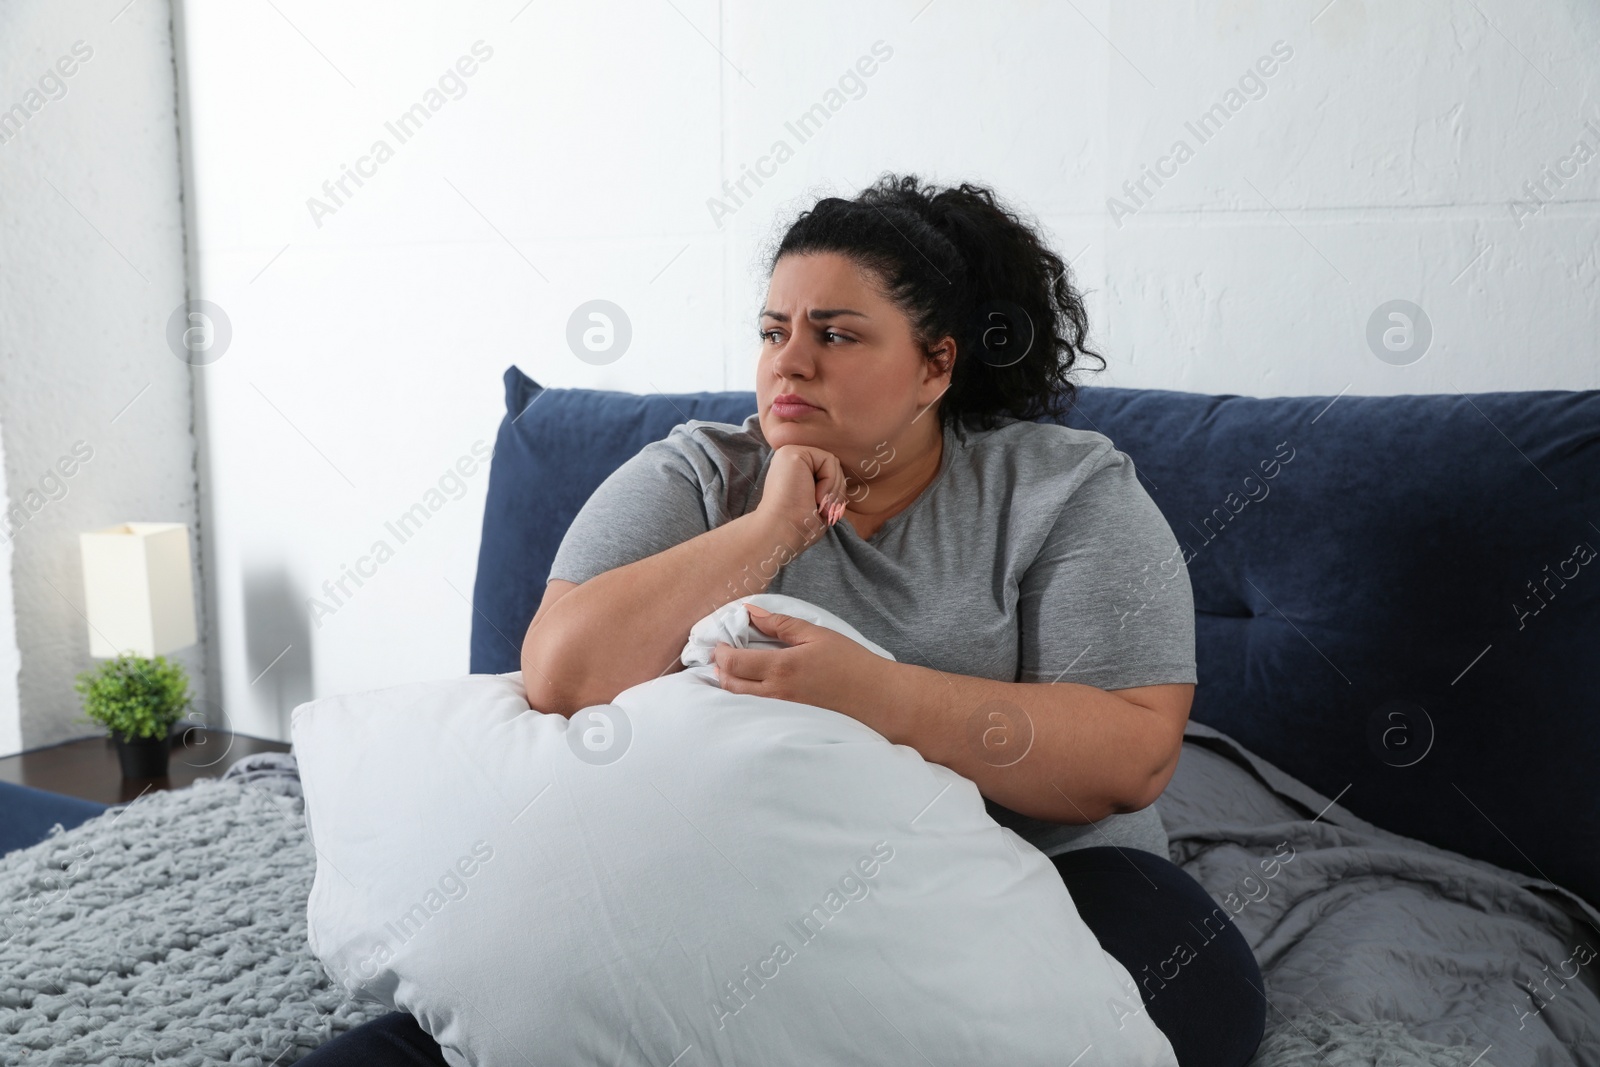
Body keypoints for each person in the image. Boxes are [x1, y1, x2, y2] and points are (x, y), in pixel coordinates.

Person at [299, 174, 1265, 1066]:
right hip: (736, 871)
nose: (788, 362)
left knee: (1188, 992)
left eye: (836, 335)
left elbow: (1129, 755)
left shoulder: (1063, 489)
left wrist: (872, 693)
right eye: (772, 331)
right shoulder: (698, 473)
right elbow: (562, 674)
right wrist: (771, 530)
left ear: (935, 366)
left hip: (1031, 875)